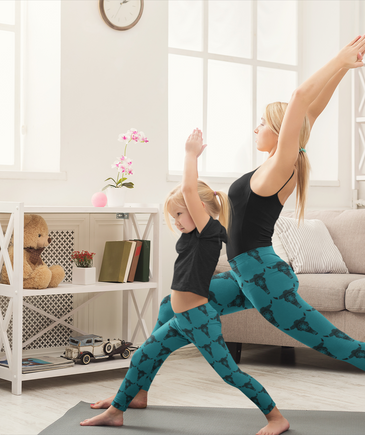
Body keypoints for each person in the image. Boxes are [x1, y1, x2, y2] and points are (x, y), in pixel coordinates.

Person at [91, 34, 365, 429]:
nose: (256, 127)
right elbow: (310, 109)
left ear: (281, 132)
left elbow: (299, 99)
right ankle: (138, 390)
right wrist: (344, 71)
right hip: (246, 275)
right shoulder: (276, 162)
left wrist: (338, 59)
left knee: (337, 344)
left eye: (263, 122)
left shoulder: (282, 164)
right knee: (168, 307)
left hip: (265, 281)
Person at [81, 129, 290, 435]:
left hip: (198, 319)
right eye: (174, 216)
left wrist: (190, 155)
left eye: (180, 214)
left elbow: (190, 191)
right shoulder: (192, 234)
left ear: (199, 210)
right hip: (184, 316)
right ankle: (127, 402)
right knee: (145, 353)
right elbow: (187, 201)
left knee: (229, 373)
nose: (177, 221)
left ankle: (276, 418)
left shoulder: (209, 233)